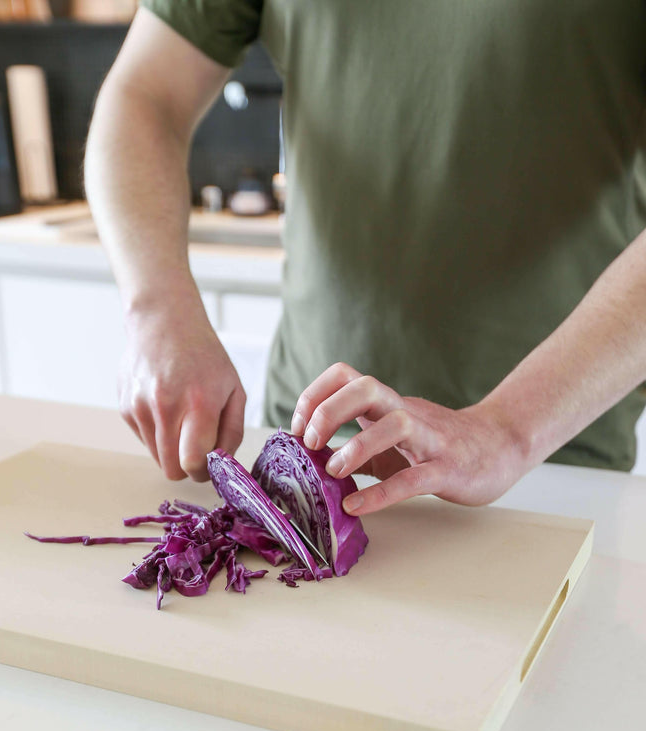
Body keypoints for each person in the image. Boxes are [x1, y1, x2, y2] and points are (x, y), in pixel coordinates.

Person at [85, 2, 646, 517]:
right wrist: (158, 309)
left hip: (554, 466)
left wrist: (504, 431)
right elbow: (144, 94)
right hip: (309, 454)